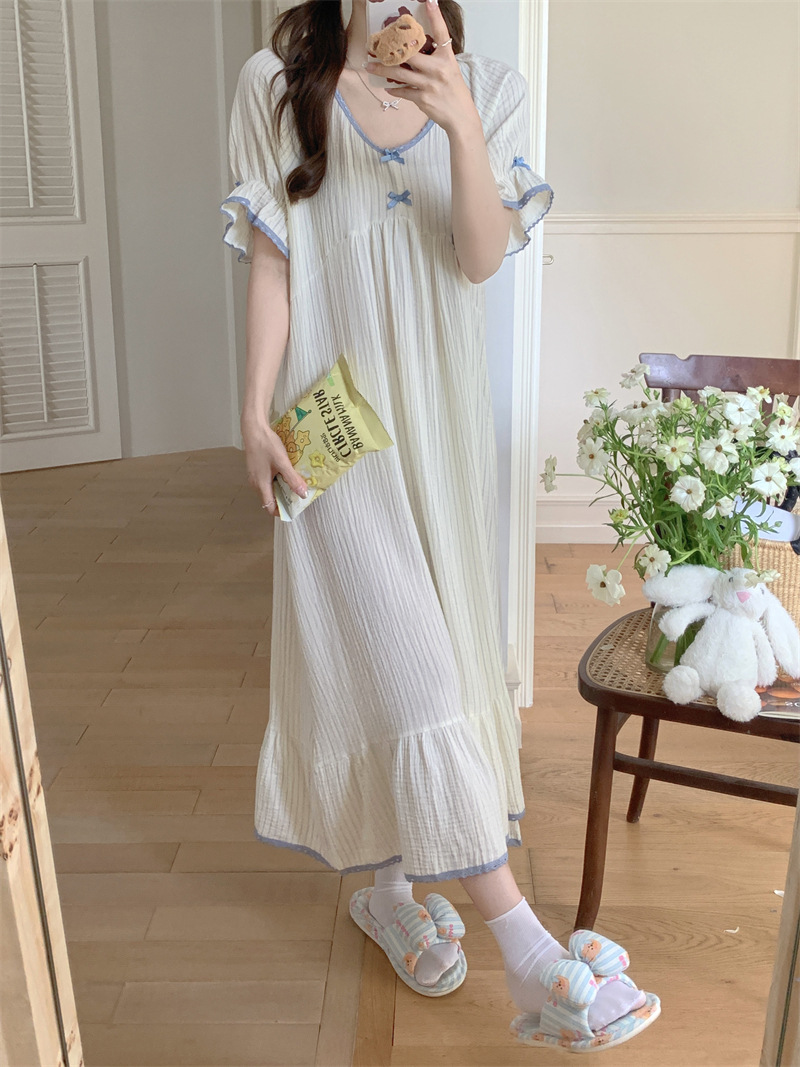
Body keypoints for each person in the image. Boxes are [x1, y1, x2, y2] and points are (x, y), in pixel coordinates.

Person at [220, 0, 659, 1051]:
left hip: (440, 429)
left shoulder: (491, 89)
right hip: (331, 428)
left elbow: (477, 258)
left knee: (432, 658)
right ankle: (529, 951)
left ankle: (387, 890)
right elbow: (275, 261)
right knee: (410, 665)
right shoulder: (273, 86)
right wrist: (251, 413)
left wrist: (459, 122)